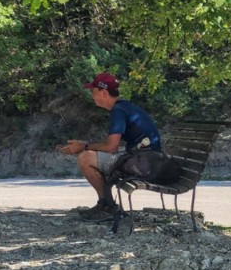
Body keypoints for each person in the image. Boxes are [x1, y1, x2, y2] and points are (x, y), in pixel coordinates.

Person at [59, 72, 161, 221]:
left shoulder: (118, 111)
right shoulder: (124, 107)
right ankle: (107, 204)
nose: (92, 95)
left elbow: (111, 147)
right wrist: (85, 145)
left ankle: (107, 206)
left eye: (93, 91)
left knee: (86, 158)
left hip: (144, 164)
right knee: (90, 153)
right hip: (149, 160)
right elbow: (111, 146)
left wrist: (83, 147)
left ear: (104, 92)